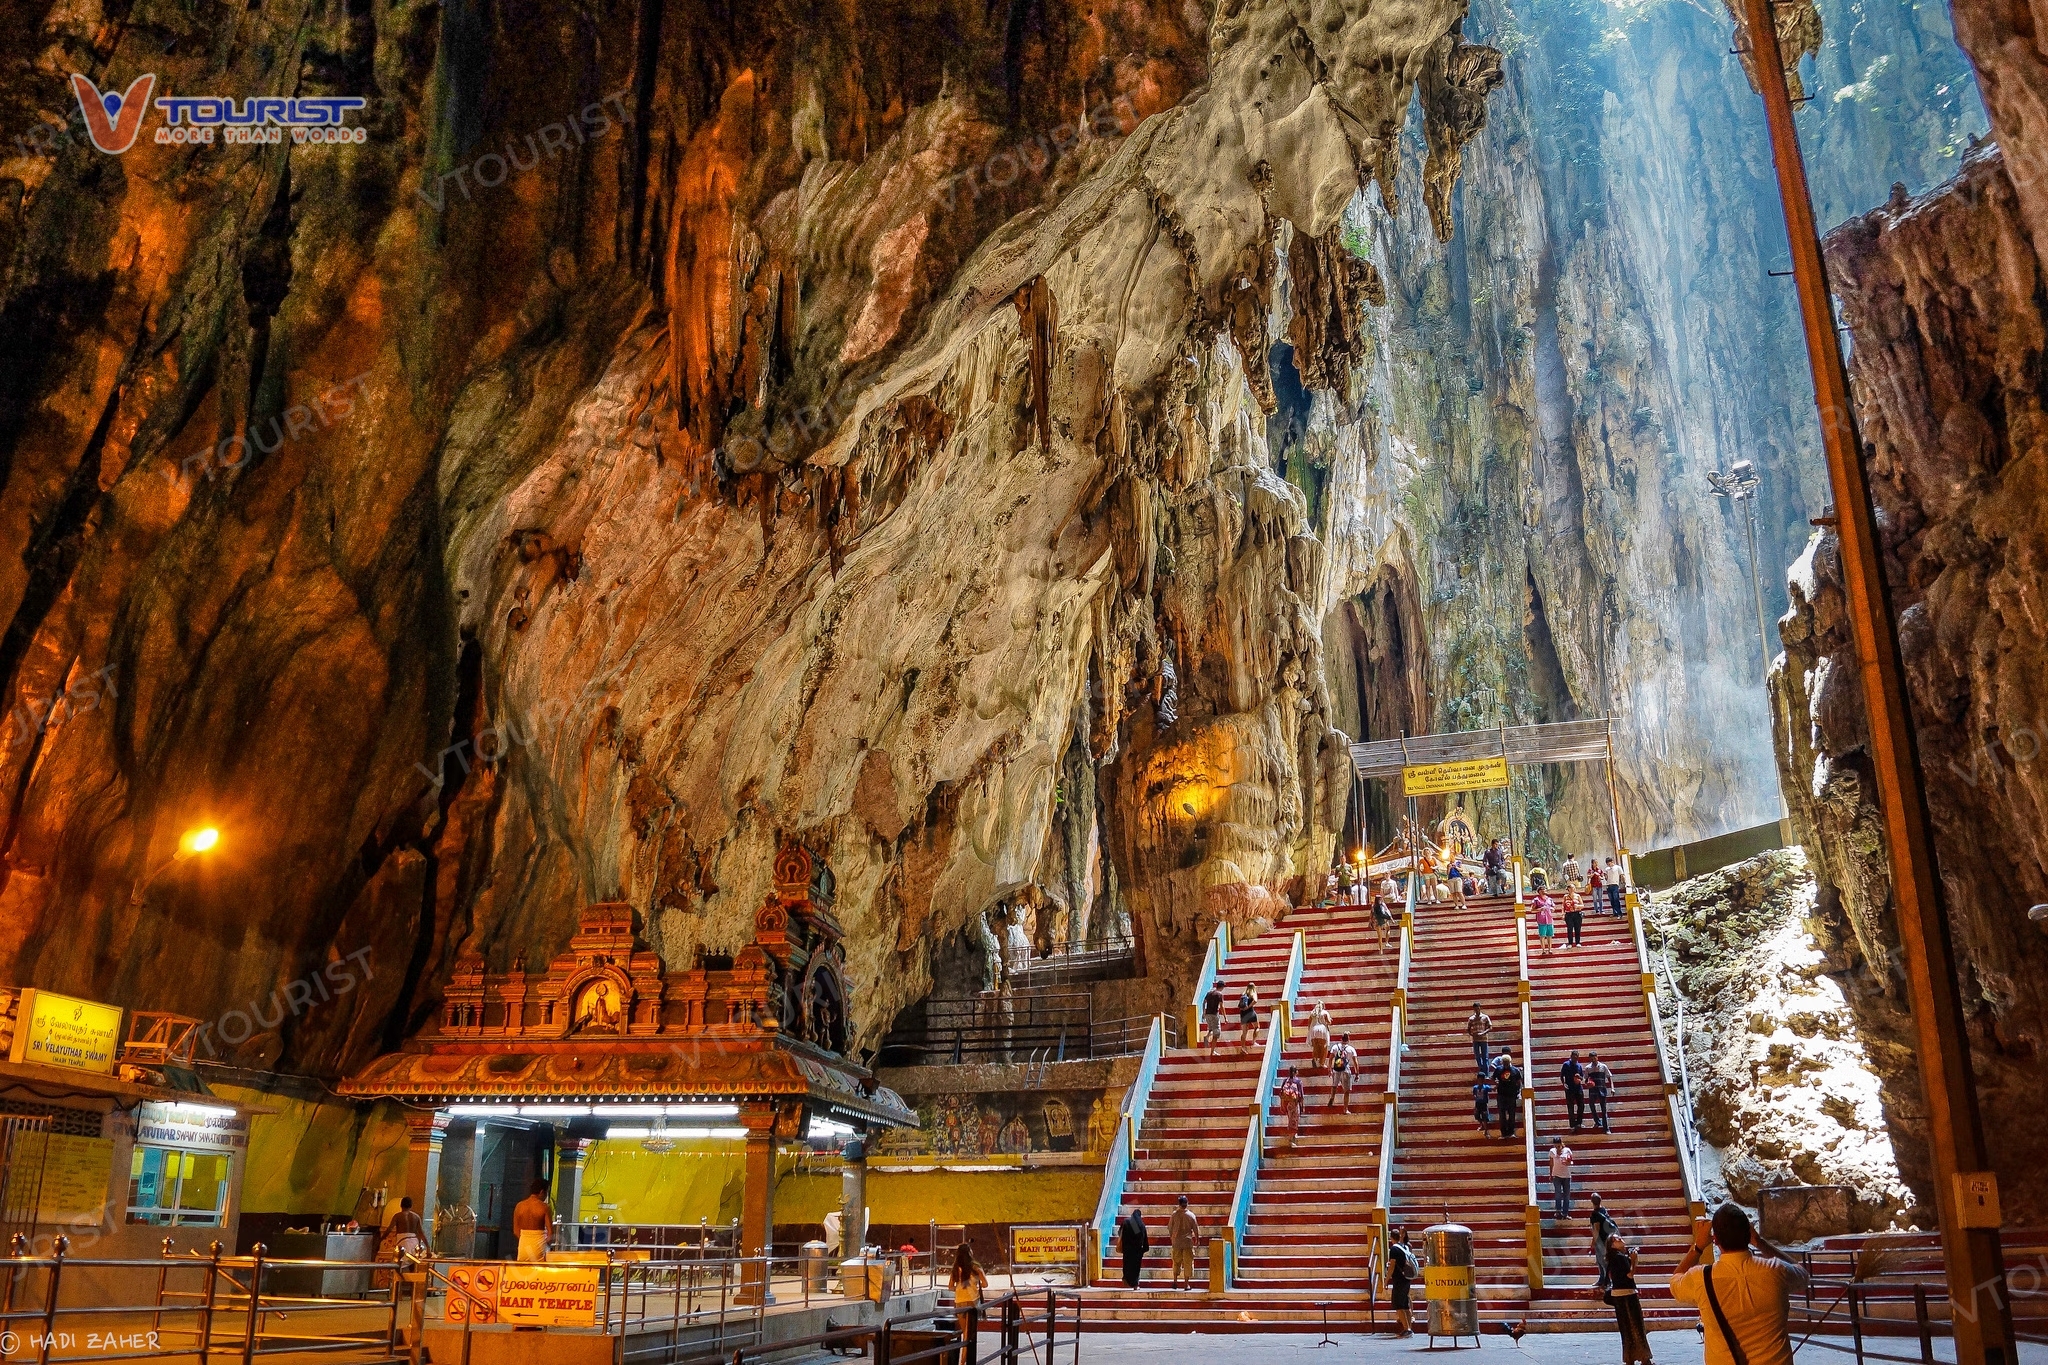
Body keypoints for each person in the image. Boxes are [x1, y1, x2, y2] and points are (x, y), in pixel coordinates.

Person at [1669, 1203, 1811, 1365]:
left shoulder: (1701, 1277)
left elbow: (1675, 1281)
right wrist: (1759, 1242)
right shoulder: (1775, 1271)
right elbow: (1802, 1274)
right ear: (1748, 1233)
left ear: (1715, 1239)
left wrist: (1698, 1247)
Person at [1605, 1233, 1653, 1364]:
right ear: (1612, 1245)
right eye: (1617, 1239)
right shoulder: (1620, 1258)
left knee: (1625, 1328)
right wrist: (1634, 1259)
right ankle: (1644, 1357)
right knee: (1637, 1325)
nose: (1621, 1240)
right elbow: (1630, 1274)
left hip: (1618, 1296)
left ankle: (1629, 1357)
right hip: (1628, 1294)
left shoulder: (1612, 1258)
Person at [1386, 1226, 1417, 1337]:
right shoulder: (1405, 1247)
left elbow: (1392, 1265)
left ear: (1391, 1238)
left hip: (1399, 1279)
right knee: (1405, 1304)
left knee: (1398, 1305)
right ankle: (1409, 1328)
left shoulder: (1394, 1249)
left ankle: (1406, 1328)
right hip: (1407, 1278)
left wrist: (1386, 1280)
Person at [512, 1178, 552, 1262]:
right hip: (538, 1248)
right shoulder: (545, 1207)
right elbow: (550, 1234)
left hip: (523, 1247)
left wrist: (526, 1240)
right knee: (539, 1273)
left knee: (523, 1270)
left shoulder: (519, 1206)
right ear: (542, 1192)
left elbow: (516, 1231)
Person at [1167, 1195, 1200, 1290]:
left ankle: (1175, 1281)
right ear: (1187, 1203)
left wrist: (1172, 1238)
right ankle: (1186, 1284)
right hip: (1187, 1242)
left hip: (1176, 1242)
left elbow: (1170, 1228)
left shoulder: (1174, 1215)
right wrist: (1197, 1239)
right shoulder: (1191, 1215)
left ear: (1179, 1204)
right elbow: (1195, 1229)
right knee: (1188, 1263)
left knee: (1176, 1262)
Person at [1589, 1194, 1620, 1291]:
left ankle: (1606, 1280)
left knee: (1602, 1261)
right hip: (1608, 1239)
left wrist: (1593, 1242)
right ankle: (1603, 1279)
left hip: (1601, 1240)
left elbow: (1596, 1229)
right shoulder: (1604, 1211)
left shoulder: (1595, 1214)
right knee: (1603, 1260)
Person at [1493, 1052, 1522, 1140]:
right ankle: (1503, 1133)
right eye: (1504, 1062)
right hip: (1501, 1095)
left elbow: (1519, 1082)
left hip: (1511, 1095)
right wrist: (1496, 1083)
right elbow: (1493, 1078)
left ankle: (1511, 1132)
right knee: (1502, 1115)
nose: (1505, 1064)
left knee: (1511, 1114)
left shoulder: (1515, 1070)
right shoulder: (1498, 1069)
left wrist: (1518, 1092)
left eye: (1506, 1062)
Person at [950, 1243, 989, 1308]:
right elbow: (985, 1284)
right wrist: (975, 1286)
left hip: (959, 1300)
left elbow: (950, 1287)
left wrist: (959, 1288)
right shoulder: (976, 1267)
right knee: (972, 1318)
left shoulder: (955, 1268)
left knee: (961, 1317)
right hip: (973, 1299)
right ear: (969, 1253)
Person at [1119, 1208, 1149, 1288]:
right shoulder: (1141, 1225)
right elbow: (1143, 1238)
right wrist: (1144, 1248)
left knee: (1127, 1265)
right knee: (1136, 1268)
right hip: (1137, 1251)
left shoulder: (1126, 1222)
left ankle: (1126, 1281)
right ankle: (1135, 1284)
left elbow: (1120, 1233)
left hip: (1127, 1250)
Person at [1276, 1065, 1306, 1146]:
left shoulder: (1285, 1080)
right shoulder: (1298, 1082)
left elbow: (1282, 1094)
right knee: (1294, 1121)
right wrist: (1302, 1106)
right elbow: (1301, 1095)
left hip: (1287, 1104)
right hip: (1294, 1104)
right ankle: (1291, 1139)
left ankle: (1292, 1136)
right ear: (1296, 1072)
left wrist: (1282, 1104)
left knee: (1290, 1119)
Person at [1328, 1032, 1358, 1110]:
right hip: (1346, 1069)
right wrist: (1357, 1073)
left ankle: (1332, 1097)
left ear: (1341, 1039)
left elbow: (1330, 1058)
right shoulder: (1351, 1049)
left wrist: (1329, 1070)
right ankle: (1345, 1109)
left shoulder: (1335, 1047)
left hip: (1336, 1069)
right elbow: (1355, 1062)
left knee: (1334, 1085)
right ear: (1348, 1039)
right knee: (1346, 1091)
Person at [1588, 1051, 1616, 1133]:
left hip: (1601, 1089)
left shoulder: (1603, 1066)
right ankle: (1597, 1121)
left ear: (1597, 1057)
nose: (1593, 1060)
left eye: (1594, 1058)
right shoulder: (1588, 1068)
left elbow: (1609, 1077)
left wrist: (1612, 1088)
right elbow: (1586, 1078)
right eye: (1591, 1059)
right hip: (1593, 1090)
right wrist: (1588, 1083)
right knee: (1591, 1106)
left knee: (1603, 1109)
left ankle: (1606, 1128)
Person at [1549, 1138, 1575, 1220]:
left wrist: (1568, 1163)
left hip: (1566, 1176)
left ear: (1561, 1144)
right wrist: (1550, 1174)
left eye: (1558, 1146)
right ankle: (1558, 1211)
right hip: (1556, 1175)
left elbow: (1571, 1161)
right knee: (1558, 1193)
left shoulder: (1567, 1150)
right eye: (1555, 1146)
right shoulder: (1552, 1152)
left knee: (1566, 1195)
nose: (1557, 1148)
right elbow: (1551, 1163)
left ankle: (1565, 1213)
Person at [1561, 1050, 1587, 1132]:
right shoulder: (1566, 1064)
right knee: (1571, 1107)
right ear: (1571, 1056)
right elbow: (1562, 1076)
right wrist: (1564, 1083)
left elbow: (1582, 1078)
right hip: (1569, 1088)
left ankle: (1579, 1123)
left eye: (1577, 1057)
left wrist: (1579, 1077)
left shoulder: (1579, 1065)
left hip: (1578, 1088)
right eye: (1574, 1056)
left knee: (1581, 1105)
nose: (1576, 1058)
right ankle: (1572, 1125)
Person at [1466, 1002, 1494, 1075]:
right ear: (1474, 1009)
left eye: (1478, 1008)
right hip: (1475, 1040)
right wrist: (1472, 1034)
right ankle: (1481, 1070)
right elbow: (1468, 1029)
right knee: (1477, 1056)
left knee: (1485, 1057)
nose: (1477, 1010)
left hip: (1484, 1039)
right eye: (1475, 1009)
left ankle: (1486, 1073)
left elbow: (1490, 1027)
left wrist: (1483, 1033)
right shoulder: (1471, 1019)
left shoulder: (1485, 1017)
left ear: (1480, 1008)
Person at [1307, 1001, 1333, 1071]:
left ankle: (1315, 1059)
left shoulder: (1313, 1013)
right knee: (1324, 1048)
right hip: (1322, 1029)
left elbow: (1309, 1023)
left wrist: (1310, 1032)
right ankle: (1322, 1062)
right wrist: (1330, 1020)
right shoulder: (1325, 1012)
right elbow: (1329, 1022)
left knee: (1315, 1047)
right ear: (1323, 1006)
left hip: (1313, 1030)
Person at [1237, 982, 1262, 1048]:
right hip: (1250, 1012)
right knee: (1257, 1027)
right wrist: (1249, 1006)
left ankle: (1243, 1046)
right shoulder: (1253, 993)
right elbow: (1255, 1000)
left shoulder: (1243, 994)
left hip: (1243, 1013)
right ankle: (1253, 1042)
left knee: (1244, 1032)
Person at [1201, 982, 1225, 1048]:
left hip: (1207, 1014)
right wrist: (1225, 1017)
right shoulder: (1219, 994)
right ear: (1222, 987)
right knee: (1216, 1031)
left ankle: (1207, 1037)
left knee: (1211, 1029)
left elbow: (1203, 1002)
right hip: (1214, 1014)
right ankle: (1213, 1050)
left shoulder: (1209, 993)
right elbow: (1222, 1006)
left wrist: (1204, 1012)